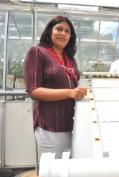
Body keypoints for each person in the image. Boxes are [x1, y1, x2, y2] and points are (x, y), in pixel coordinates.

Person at [24, 16, 88, 161]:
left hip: (71, 123)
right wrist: (70, 93)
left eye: (67, 31)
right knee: (56, 169)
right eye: (59, 29)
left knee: (68, 169)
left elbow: (74, 84)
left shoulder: (70, 58)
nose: (63, 33)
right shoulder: (37, 52)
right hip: (51, 123)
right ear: (49, 32)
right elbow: (33, 90)